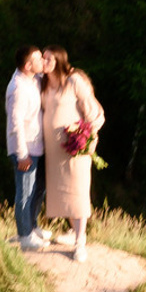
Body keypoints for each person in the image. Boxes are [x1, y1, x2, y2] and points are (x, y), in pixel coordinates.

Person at [41, 46, 105, 263]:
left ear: (58, 60)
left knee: (77, 191)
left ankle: (80, 242)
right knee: (62, 193)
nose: (44, 60)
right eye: (42, 57)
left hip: (74, 148)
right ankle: (72, 232)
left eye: (48, 58)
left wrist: (87, 138)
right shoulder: (44, 84)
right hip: (54, 151)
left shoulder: (73, 81)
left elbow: (94, 112)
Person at [4, 44, 50, 251]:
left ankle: (31, 226)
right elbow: (16, 124)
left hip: (37, 146)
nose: (43, 61)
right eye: (39, 58)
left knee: (38, 189)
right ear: (28, 65)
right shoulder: (18, 88)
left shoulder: (33, 80)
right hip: (25, 149)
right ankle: (24, 236)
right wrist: (22, 154)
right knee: (25, 193)